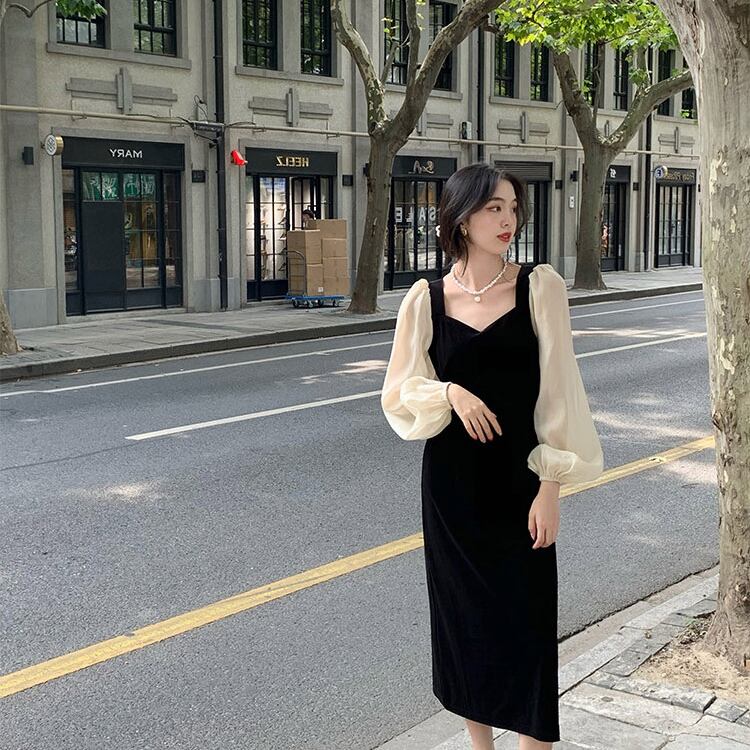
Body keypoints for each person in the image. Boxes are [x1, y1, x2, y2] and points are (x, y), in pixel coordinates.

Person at [380, 163, 604, 749]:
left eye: (511, 207)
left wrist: (551, 485)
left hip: (521, 479)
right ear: (462, 219)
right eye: (492, 208)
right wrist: (449, 393)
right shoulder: (425, 300)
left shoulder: (539, 287)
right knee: (464, 623)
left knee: (528, 622)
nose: (508, 219)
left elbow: (560, 391)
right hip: (452, 489)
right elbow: (399, 392)